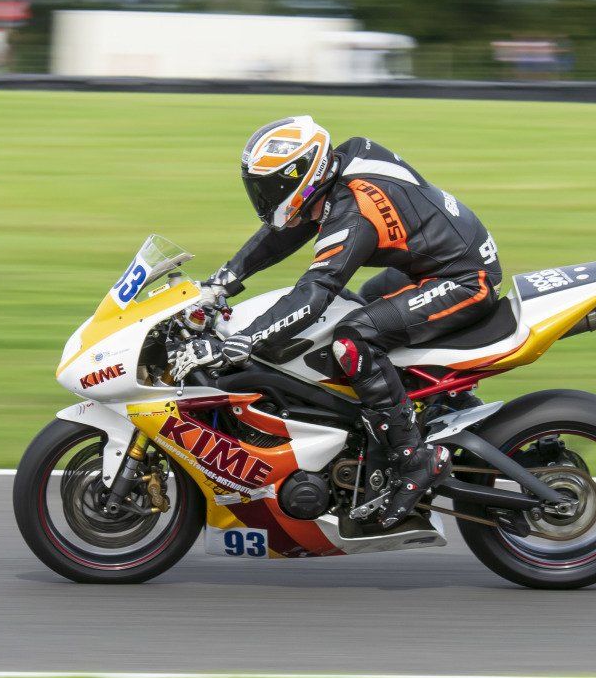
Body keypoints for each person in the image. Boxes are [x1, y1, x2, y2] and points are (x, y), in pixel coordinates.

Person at [169, 115, 503, 528]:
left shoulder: (355, 207)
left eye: (270, 185)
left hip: (464, 280)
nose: (262, 194)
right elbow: (288, 229)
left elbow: (313, 293)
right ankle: (431, 413)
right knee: (356, 312)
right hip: (431, 266)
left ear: (304, 174)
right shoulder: (337, 170)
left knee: (353, 340)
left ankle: (414, 461)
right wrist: (223, 281)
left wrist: (244, 340)